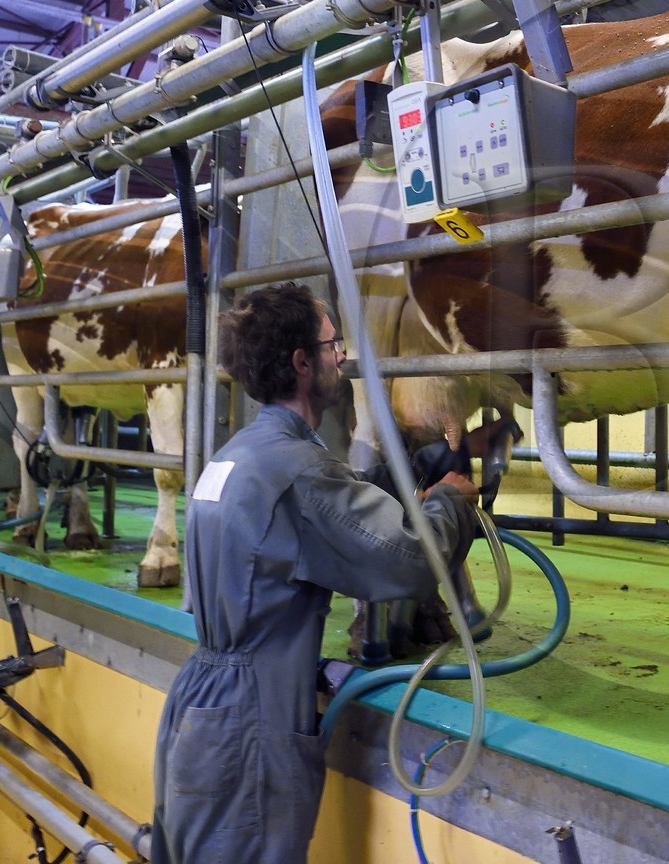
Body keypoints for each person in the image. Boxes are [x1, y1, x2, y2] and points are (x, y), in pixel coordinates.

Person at [151, 283, 477, 864]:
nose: (342, 357)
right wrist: (450, 502)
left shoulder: (234, 455)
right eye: (333, 345)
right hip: (252, 721)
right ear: (303, 362)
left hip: (202, 701)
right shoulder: (297, 470)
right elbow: (409, 562)